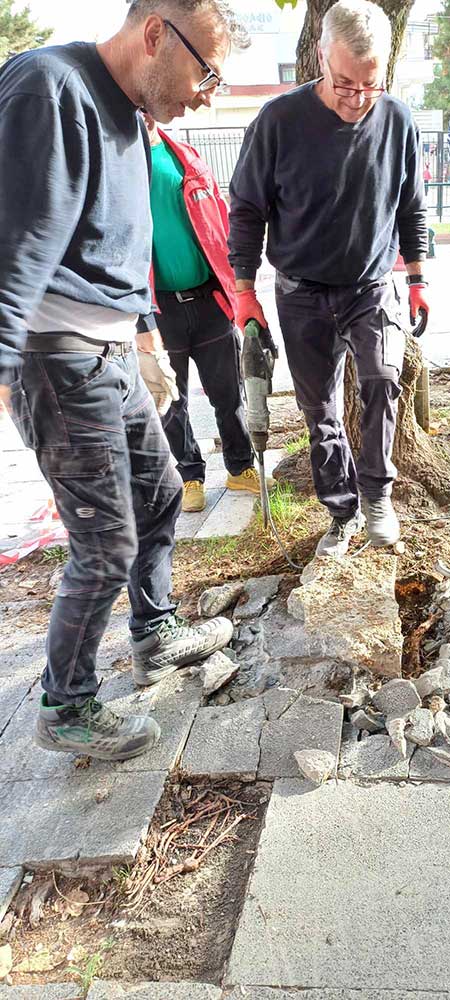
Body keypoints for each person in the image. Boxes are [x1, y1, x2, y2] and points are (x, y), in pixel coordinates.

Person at [0, 0, 248, 762]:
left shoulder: (133, 118)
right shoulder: (50, 87)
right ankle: (66, 703)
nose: (209, 90)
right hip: (54, 352)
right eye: (206, 69)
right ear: (153, 35)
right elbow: (17, 238)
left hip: (110, 348)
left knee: (164, 493)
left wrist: (145, 339)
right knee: (103, 542)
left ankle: (154, 629)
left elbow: (122, 239)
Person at [228, 0, 429, 558]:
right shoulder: (278, 121)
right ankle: (340, 513)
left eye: (369, 85)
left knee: (383, 380)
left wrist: (418, 276)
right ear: (321, 54)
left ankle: (377, 496)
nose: (356, 98)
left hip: (370, 287)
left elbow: (413, 206)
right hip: (301, 292)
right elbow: (245, 209)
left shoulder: (397, 120)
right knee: (320, 413)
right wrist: (244, 292)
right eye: (344, 83)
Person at [143, 113, 263, 513]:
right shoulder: (117, 163)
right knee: (171, 401)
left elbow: (218, 225)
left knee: (228, 393)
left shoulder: (185, 158)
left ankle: (240, 466)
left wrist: (235, 285)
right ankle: (190, 475)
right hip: (159, 310)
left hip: (208, 299)